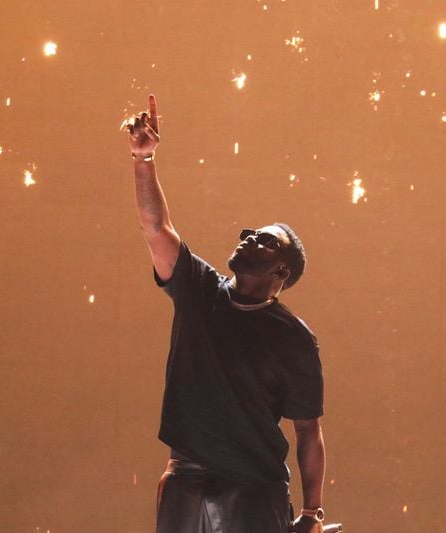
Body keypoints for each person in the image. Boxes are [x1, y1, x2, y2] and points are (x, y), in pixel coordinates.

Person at [127, 94, 327, 533]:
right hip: (185, 477)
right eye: (249, 232)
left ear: (281, 272)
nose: (249, 237)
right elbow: (156, 228)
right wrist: (144, 159)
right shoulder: (200, 289)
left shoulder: (293, 337)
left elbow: (308, 429)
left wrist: (312, 512)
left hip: (253, 486)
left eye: (265, 240)